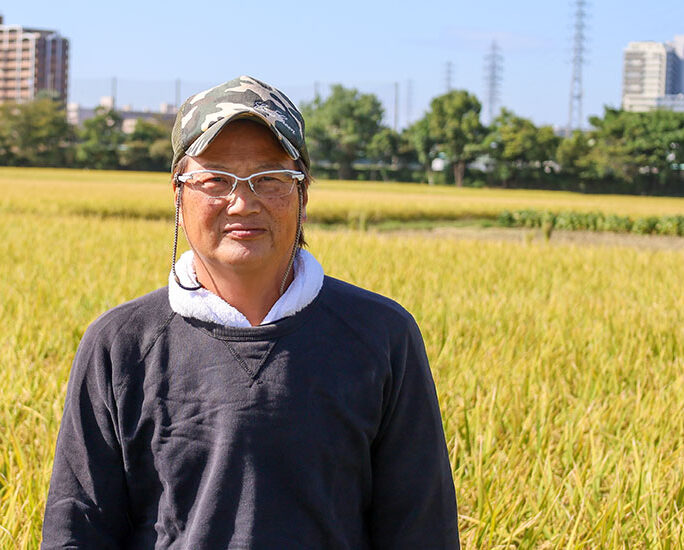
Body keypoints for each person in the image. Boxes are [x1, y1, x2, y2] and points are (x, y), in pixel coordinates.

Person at [42, 75, 459, 549]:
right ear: (178, 194)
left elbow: (422, 529)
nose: (242, 202)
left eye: (269, 179)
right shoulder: (121, 344)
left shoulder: (381, 336)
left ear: (303, 194)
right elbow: (77, 530)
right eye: (215, 179)